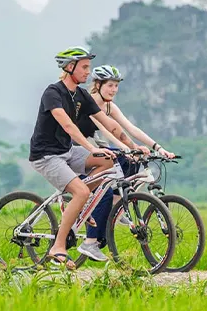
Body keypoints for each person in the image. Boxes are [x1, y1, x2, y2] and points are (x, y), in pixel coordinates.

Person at [28, 46, 141, 269]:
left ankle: (82, 205)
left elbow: (110, 124)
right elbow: (68, 126)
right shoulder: (53, 93)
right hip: (46, 155)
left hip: (67, 152)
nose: (88, 72)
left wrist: (134, 147)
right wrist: (92, 148)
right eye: (85, 67)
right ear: (70, 68)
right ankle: (58, 247)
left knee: (109, 161)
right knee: (81, 190)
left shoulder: (81, 95)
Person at [79, 64, 177, 247]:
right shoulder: (89, 103)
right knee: (124, 159)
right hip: (83, 150)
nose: (114, 90)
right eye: (110, 85)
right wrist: (126, 148)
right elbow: (109, 131)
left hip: (101, 149)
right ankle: (98, 226)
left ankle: (118, 207)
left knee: (133, 162)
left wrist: (158, 147)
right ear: (98, 84)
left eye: (116, 86)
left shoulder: (109, 107)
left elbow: (131, 128)